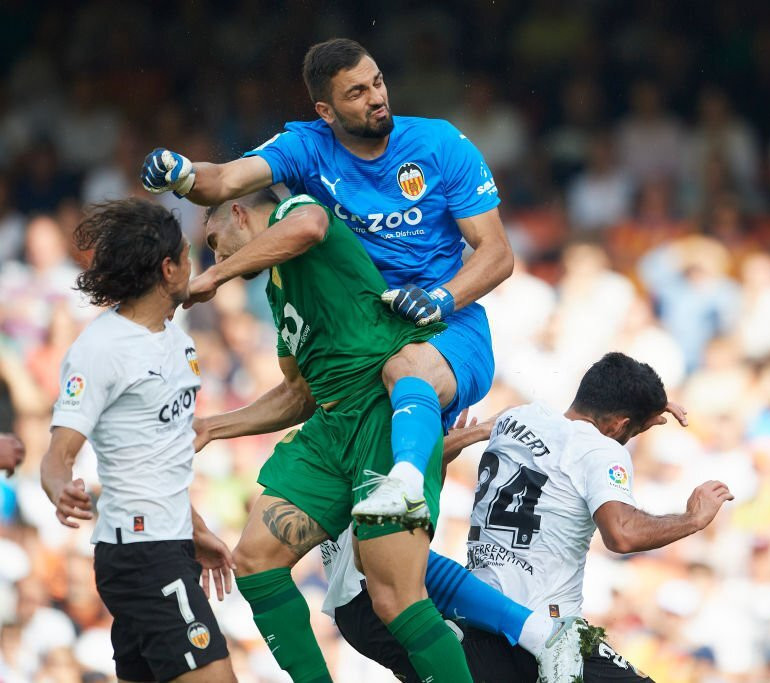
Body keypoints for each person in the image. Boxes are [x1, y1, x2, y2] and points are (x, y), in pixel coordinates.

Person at [195, 190, 581, 682]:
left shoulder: (294, 214)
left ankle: (532, 632)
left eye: (214, 242)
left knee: (393, 596)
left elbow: (310, 225)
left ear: (238, 212)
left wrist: (214, 277)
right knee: (254, 560)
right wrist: (213, 427)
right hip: (331, 429)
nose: (217, 256)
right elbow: (297, 394)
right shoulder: (277, 288)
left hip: (380, 412)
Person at [141, 37, 513, 529]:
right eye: (357, 92)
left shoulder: (439, 143)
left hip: (448, 330)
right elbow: (226, 180)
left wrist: (438, 299)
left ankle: (403, 483)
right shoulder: (306, 148)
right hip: (365, 346)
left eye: (377, 82)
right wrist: (184, 175)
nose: (377, 97)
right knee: (340, 565)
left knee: (404, 372)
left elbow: (498, 253)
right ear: (326, 111)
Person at [322, 352, 733, 682]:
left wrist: (641, 410)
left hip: (479, 618)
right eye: (633, 431)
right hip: (546, 630)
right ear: (619, 425)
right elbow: (621, 534)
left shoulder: (514, 418)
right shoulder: (602, 449)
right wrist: (692, 519)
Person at [38, 199, 236, 683]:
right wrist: (60, 488)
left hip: (168, 544)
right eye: (187, 257)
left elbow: (161, 456)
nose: (193, 266)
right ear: (168, 269)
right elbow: (58, 455)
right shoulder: (100, 348)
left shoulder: (179, 343)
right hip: (143, 552)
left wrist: (194, 528)